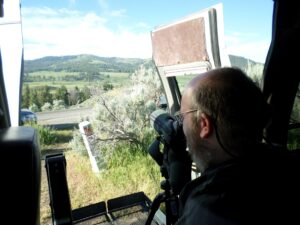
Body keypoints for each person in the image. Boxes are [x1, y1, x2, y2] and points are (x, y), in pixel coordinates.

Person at [174, 67, 300, 225]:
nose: (181, 126)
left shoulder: (208, 210)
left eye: (182, 117)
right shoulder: (285, 161)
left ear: (204, 124)